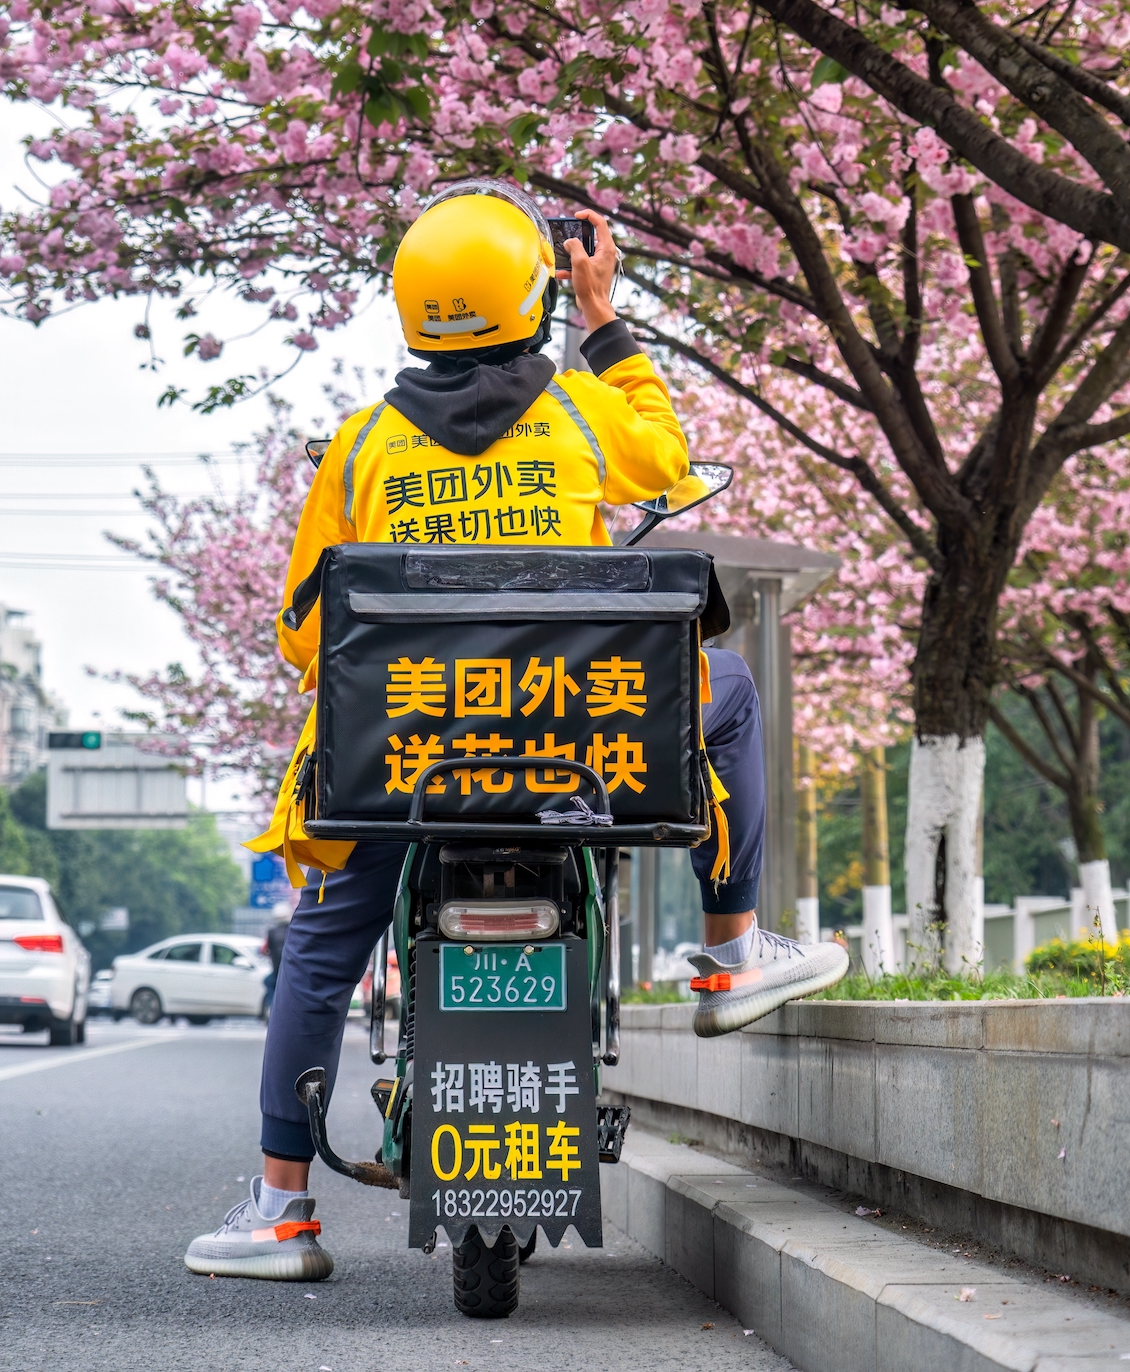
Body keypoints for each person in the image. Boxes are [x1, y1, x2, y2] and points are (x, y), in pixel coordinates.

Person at [183, 182, 846, 1282]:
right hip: (582, 751)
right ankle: (732, 948)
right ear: (532, 297)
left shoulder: (359, 448)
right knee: (725, 686)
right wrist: (605, 323)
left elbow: (305, 638)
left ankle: (281, 1211)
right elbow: (671, 461)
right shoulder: (585, 417)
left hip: (404, 768)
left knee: (317, 958)